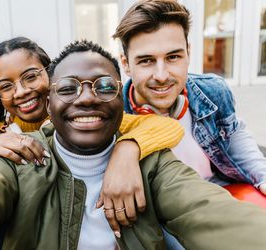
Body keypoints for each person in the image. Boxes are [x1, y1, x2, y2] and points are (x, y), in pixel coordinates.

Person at [0, 40, 266, 250]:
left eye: (105, 86)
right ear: (53, 100)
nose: (87, 97)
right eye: (70, 88)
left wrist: (128, 151)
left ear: (120, 95)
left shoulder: (146, 152)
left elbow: (206, 211)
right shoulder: (14, 152)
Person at [0, 37, 184, 234]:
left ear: (52, 74)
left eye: (30, 77)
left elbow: (166, 126)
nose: (21, 91)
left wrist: (127, 150)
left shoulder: (85, 120)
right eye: (6, 86)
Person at [114, 0, 266, 193]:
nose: (161, 76)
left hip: (219, 191)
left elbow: (236, 136)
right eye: (146, 61)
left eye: (173, 57)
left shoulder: (212, 92)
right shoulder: (113, 115)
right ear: (126, 64)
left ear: (188, 52)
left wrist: (262, 176)